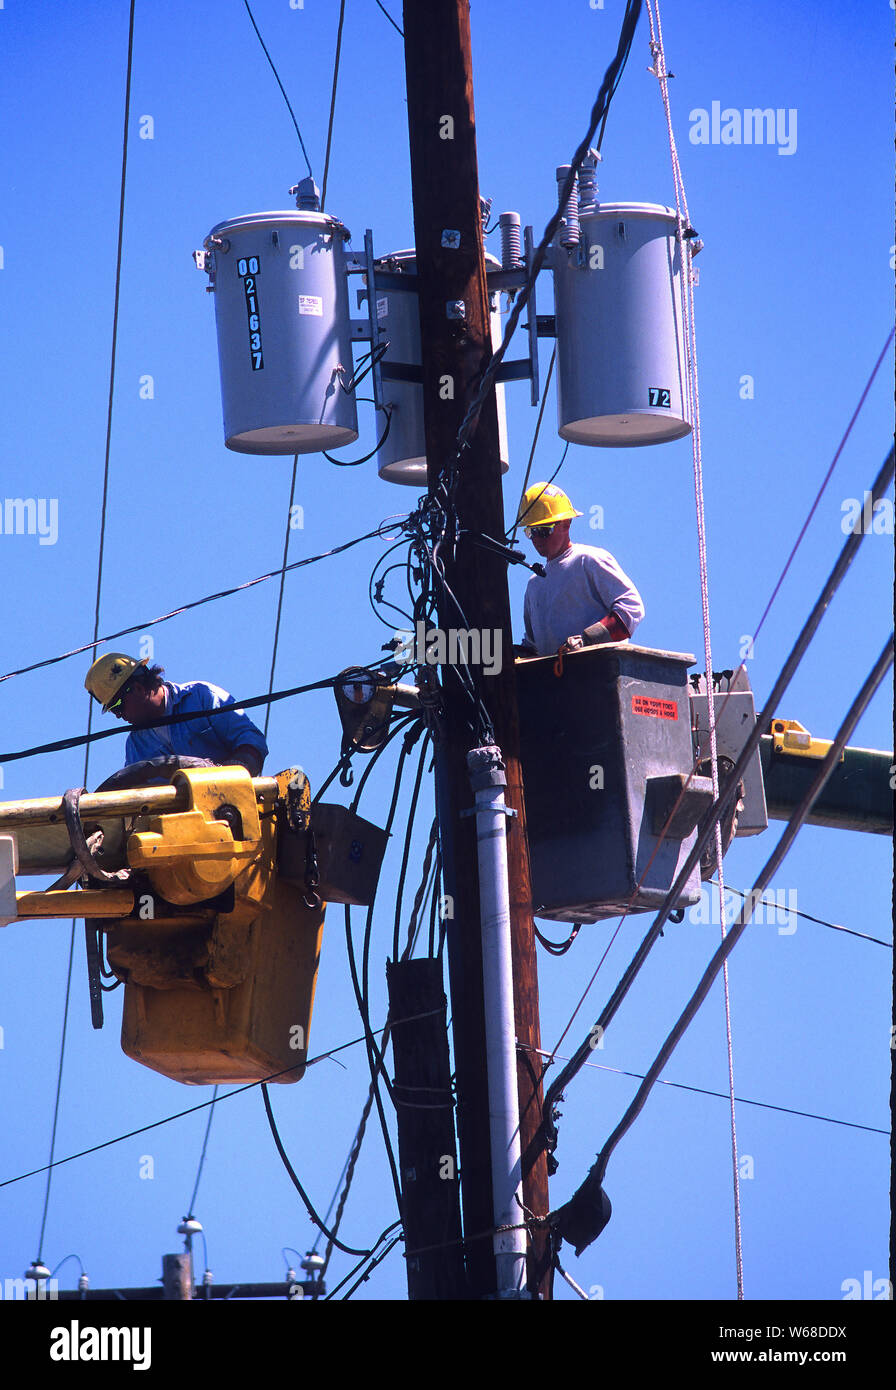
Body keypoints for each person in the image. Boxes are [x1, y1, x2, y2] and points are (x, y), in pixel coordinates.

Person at [84, 653, 268, 776]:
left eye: (117, 706)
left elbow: (252, 743)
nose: (118, 716)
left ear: (138, 689)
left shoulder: (200, 697)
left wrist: (227, 777)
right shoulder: (137, 745)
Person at [516, 482, 644, 657]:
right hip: (556, 682)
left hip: (599, 676)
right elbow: (533, 647)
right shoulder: (535, 585)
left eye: (544, 530)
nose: (536, 538)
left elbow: (631, 608)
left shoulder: (588, 560)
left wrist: (588, 640)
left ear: (566, 524)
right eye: (531, 531)